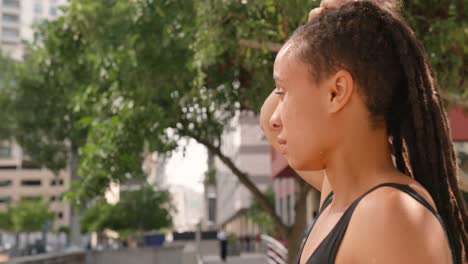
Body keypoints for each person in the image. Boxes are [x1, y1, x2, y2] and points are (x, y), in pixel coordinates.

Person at [260, 1, 467, 263]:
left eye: (283, 92)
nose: (277, 117)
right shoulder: (341, 196)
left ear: (336, 92)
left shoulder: (387, 216)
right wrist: (322, 36)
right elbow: (269, 121)